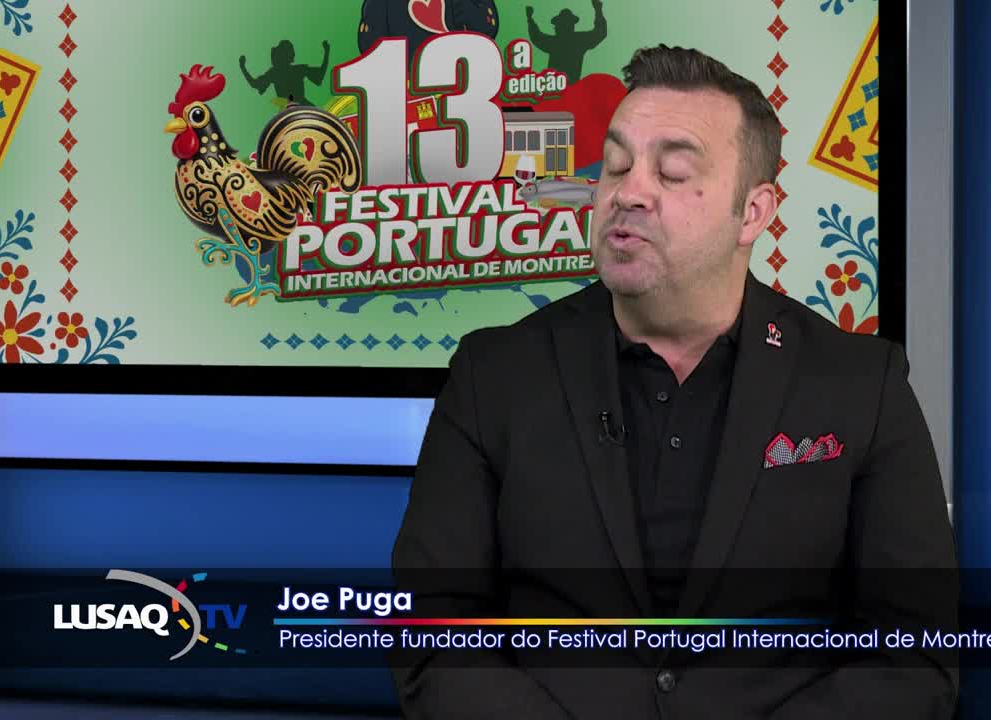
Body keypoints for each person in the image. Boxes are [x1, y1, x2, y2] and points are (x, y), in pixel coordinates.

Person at [391, 45, 959, 719]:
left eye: (674, 171)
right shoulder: (494, 377)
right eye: (617, 165)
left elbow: (915, 655)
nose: (628, 192)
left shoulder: (863, 385)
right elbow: (434, 634)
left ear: (753, 213)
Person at [526, 0, 608, 84]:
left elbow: (537, 37)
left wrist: (530, 19)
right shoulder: (579, 41)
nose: (555, 27)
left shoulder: (556, 42)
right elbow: (600, 32)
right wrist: (598, 10)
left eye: (557, 24)